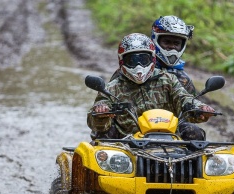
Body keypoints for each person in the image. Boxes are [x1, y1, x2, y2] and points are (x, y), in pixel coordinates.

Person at [87, 33, 215, 140]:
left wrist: (199, 107)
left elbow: (184, 98)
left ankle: (193, 168)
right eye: (132, 60)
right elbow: (97, 112)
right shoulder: (112, 87)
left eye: (143, 59)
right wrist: (101, 112)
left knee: (194, 132)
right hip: (126, 142)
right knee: (101, 136)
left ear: (153, 59)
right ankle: (103, 170)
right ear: (122, 61)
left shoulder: (168, 80)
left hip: (169, 136)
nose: (138, 66)